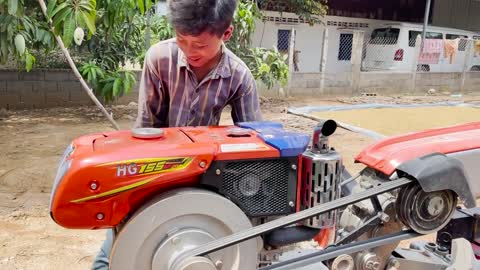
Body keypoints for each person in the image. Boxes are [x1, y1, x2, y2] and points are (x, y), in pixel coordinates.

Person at [91, 0, 262, 268]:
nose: (189, 51)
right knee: (115, 253)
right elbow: (147, 128)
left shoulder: (239, 77)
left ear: (226, 34)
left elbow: (253, 143)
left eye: (201, 45)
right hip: (155, 170)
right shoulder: (159, 59)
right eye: (181, 39)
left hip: (206, 177)